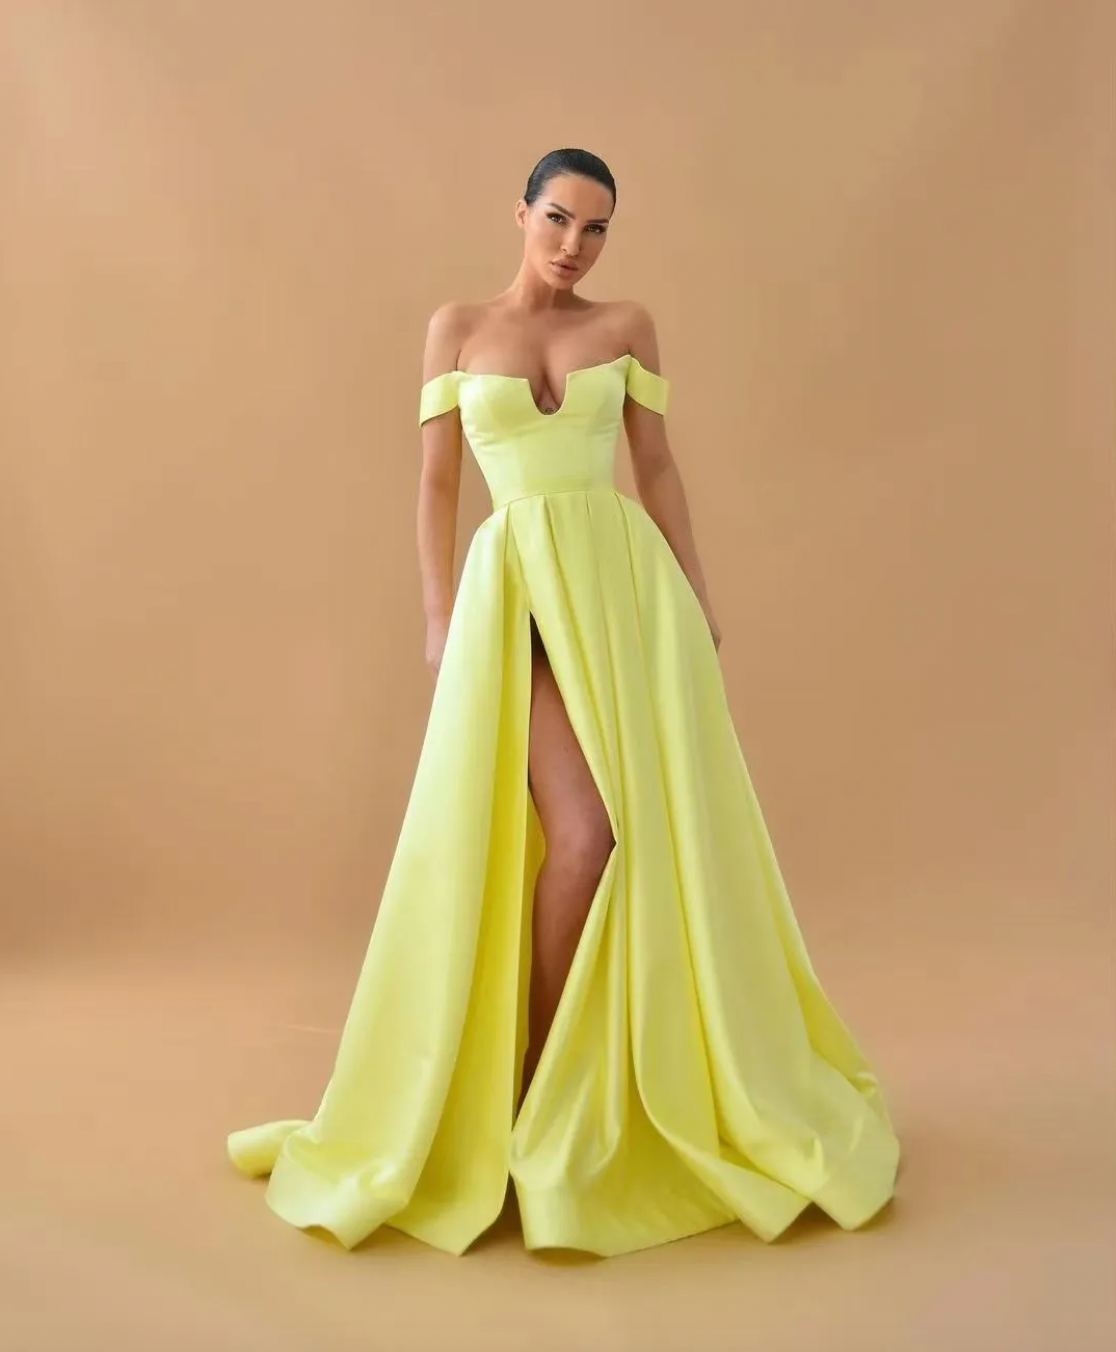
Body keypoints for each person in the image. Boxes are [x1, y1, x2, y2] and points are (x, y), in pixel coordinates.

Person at [228, 148, 900, 1257]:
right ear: (521, 212)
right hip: (514, 595)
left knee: (640, 838)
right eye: (557, 218)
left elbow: (658, 466)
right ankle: (522, 1084)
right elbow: (437, 482)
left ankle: (580, 1085)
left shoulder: (627, 326)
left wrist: (696, 596)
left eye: (595, 229)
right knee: (578, 837)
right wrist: (440, 618)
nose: (573, 244)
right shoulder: (456, 329)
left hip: (624, 594)